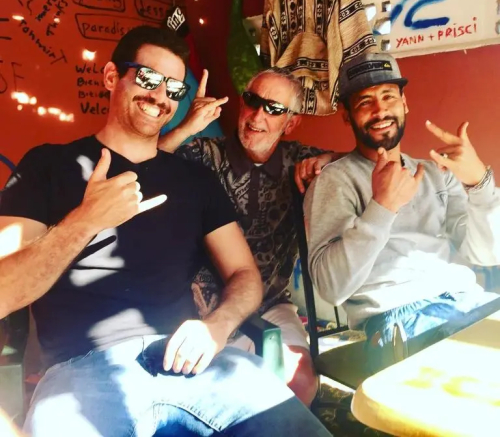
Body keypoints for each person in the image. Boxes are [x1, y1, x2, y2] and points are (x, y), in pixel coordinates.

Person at [0, 26, 330, 436]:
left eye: (174, 88)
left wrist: (217, 326)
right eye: (148, 78)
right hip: (82, 373)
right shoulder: (48, 166)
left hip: (192, 362)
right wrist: (85, 221)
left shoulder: (194, 179)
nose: (161, 96)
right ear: (111, 77)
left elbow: (244, 274)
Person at [304, 52, 500, 372]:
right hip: (400, 318)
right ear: (347, 116)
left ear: (404, 103)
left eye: (388, 96)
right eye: (365, 102)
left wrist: (480, 184)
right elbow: (331, 287)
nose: (380, 110)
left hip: (468, 300)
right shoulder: (334, 181)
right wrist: (382, 208)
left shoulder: (437, 173)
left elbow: (488, 254)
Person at [158, 67, 341, 406]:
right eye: (252, 101)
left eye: (274, 108)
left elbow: (361, 162)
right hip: (200, 307)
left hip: (270, 303)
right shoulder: (203, 154)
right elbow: (144, 166)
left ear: (291, 123)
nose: (258, 116)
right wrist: (185, 128)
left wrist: (331, 159)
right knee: (215, 392)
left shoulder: (298, 161)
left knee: (300, 380)